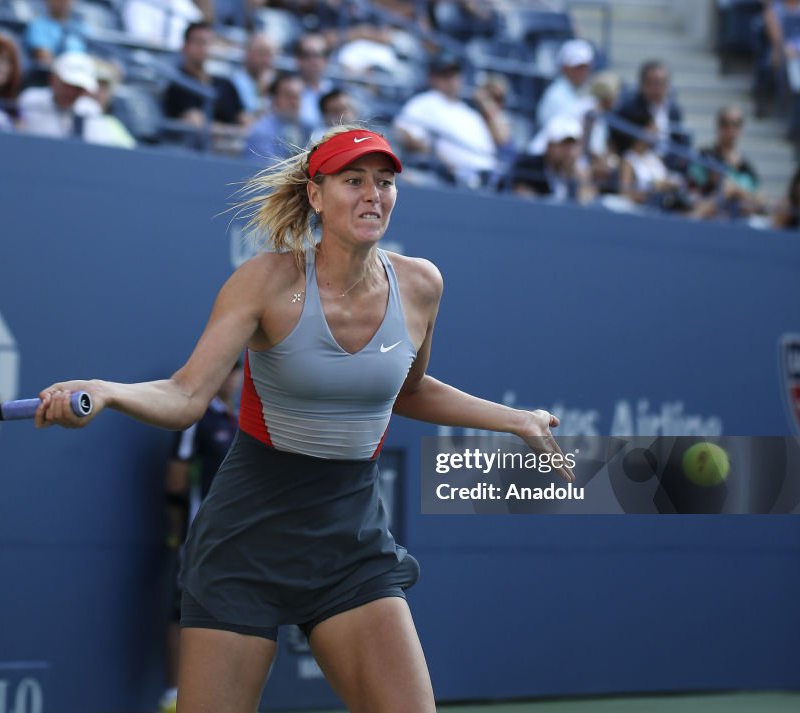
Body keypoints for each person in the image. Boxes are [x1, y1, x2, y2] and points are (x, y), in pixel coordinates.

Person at [35, 125, 575, 712]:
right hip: (245, 541)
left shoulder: (420, 285)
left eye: (385, 182)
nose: (374, 194)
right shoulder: (265, 281)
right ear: (316, 195)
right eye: (353, 180)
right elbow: (186, 395)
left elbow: (407, 391)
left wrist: (516, 420)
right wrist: (108, 393)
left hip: (350, 541)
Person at [157, 360, 242, 713]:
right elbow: (176, 480)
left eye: (236, 371)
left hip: (240, 538)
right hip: (199, 536)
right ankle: (175, 695)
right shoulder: (198, 418)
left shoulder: (239, 421)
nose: (231, 378)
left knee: (234, 613)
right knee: (184, 610)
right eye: (224, 370)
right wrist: (180, 532)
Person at [394, 52, 497, 188]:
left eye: (455, 74)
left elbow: (492, 147)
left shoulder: (470, 112)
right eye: (445, 75)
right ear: (433, 78)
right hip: (452, 179)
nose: (451, 80)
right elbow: (401, 129)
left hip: (488, 176)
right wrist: (431, 150)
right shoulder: (425, 101)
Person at [162, 22, 248, 151]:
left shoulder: (226, 84)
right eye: (198, 42)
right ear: (185, 47)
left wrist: (229, 131)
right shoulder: (178, 86)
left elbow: (247, 123)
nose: (203, 47)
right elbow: (198, 125)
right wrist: (234, 132)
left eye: (207, 42)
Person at [687, 105, 766, 219]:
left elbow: (759, 198)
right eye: (725, 124)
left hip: (742, 216)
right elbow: (697, 183)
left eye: (736, 124)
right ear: (717, 126)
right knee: (726, 187)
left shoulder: (747, 167)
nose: (730, 129)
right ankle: (692, 219)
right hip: (709, 214)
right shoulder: (705, 155)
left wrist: (737, 191)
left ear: (741, 129)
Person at [510, 114, 596, 203]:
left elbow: (586, 206)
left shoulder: (576, 176)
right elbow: (524, 202)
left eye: (573, 146)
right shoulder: (529, 166)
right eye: (564, 145)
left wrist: (583, 182)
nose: (570, 152)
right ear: (549, 146)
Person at [243, 72, 310, 164]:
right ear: (274, 99)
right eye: (289, 96)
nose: (295, 102)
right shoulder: (260, 132)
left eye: (298, 96)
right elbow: (262, 173)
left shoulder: (307, 128)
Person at [535, 38, 593, 129]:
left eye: (585, 67)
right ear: (564, 68)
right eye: (577, 67)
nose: (582, 72)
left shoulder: (586, 92)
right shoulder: (555, 96)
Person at [24, 0, 89, 67]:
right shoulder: (38, 25)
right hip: (57, 73)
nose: (63, 2)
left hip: (81, 71)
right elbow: (43, 57)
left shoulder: (81, 27)